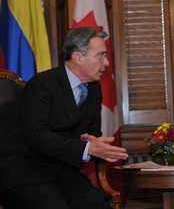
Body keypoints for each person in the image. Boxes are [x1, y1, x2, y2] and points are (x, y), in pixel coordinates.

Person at [0, 26, 129, 209]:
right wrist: (85, 147)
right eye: (101, 55)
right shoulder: (42, 84)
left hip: (61, 171)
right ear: (77, 57)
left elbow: (92, 131)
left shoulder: (94, 89)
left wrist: (91, 140)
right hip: (25, 171)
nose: (107, 62)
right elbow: (36, 137)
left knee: (95, 202)